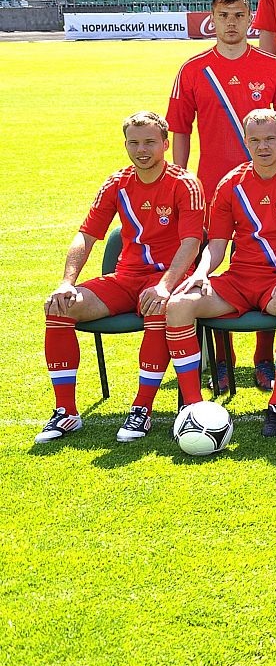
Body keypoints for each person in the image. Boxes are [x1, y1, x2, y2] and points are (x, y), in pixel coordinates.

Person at [35, 113, 206, 444]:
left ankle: (142, 409)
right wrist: (67, 282)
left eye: (150, 142)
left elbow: (191, 243)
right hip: (125, 278)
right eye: (134, 143)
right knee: (57, 306)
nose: (142, 150)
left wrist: (165, 286)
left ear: (165, 145)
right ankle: (66, 412)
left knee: (158, 305)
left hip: (166, 278)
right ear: (126, 144)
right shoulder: (116, 183)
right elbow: (86, 235)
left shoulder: (185, 183)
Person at [164, 109, 276, 438]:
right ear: (245, 141)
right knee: (179, 305)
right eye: (255, 140)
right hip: (239, 279)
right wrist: (202, 272)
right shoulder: (230, 184)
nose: (262, 146)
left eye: (270, 139)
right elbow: (217, 245)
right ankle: (192, 408)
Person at [167, 0, 276, 391]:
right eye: (224, 16)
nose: (232, 23)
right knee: (214, 271)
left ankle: (264, 358)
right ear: (213, 19)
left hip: (267, 188)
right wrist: (181, 177)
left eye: (239, 15)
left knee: (268, 267)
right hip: (213, 189)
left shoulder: (273, 66)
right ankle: (222, 361)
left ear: (250, 18)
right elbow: (180, 129)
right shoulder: (193, 69)